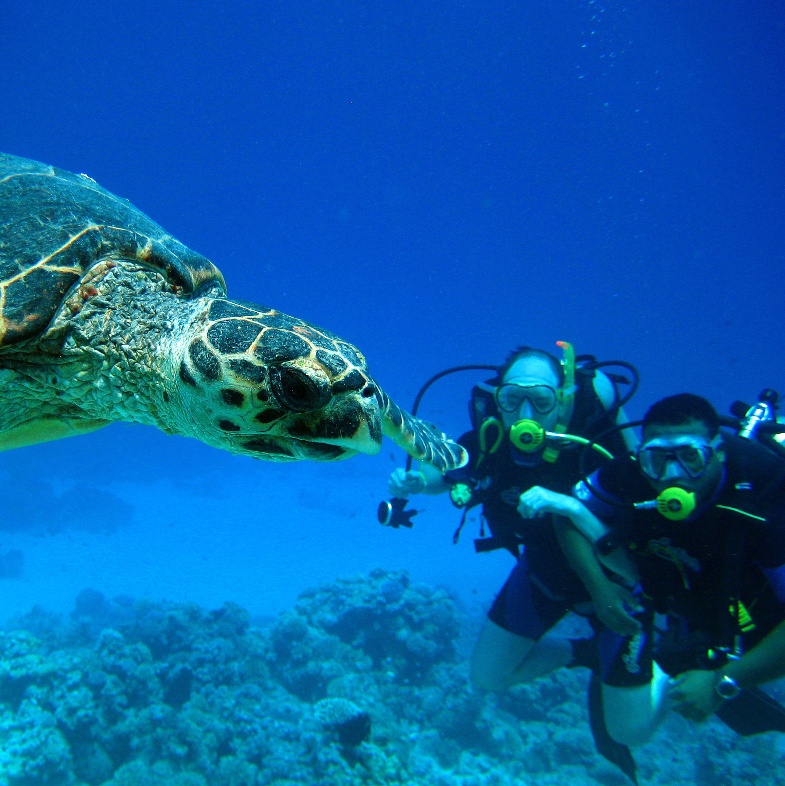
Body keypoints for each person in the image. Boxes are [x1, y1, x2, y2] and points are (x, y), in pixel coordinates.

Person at [523, 393, 785, 747]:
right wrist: (600, 590)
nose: (673, 475)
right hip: (690, 589)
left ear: (718, 452)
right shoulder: (630, 473)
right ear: (641, 454)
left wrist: (725, 681)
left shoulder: (768, 498)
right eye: (657, 459)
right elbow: (568, 514)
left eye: (690, 457)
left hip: (762, 606)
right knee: (629, 731)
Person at [388, 343, 638, 692]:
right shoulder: (489, 443)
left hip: (617, 580)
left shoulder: (595, 449)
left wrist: (606, 586)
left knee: (631, 730)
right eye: (511, 399)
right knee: (488, 677)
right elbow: (446, 475)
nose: (525, 413)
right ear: (497, 399)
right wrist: (417, 481)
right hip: (542, 574)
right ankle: (587, 652)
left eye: (541, 400)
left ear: (564, 399)